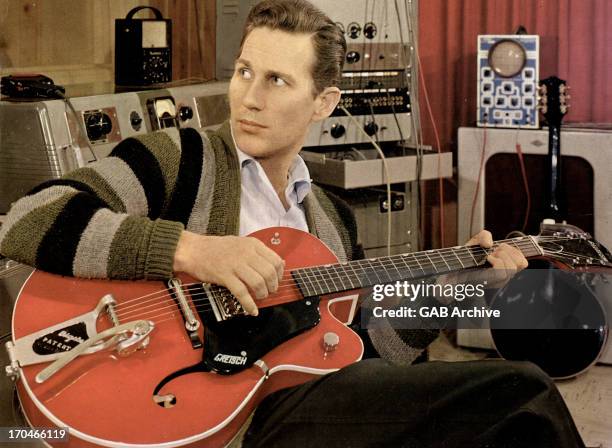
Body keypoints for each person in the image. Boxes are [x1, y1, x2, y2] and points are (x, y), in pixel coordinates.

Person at [0, 1, 585, 446]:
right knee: (524, 387)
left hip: (295, 397)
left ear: (323, 102)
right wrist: (191, 251)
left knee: (496, 410)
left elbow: (370, 355)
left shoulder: (327, 219)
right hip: (200, 400)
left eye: (276, 81)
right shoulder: (182, 158)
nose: (248, 97)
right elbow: (27, 219)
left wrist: (457, 296)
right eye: (244, 72)